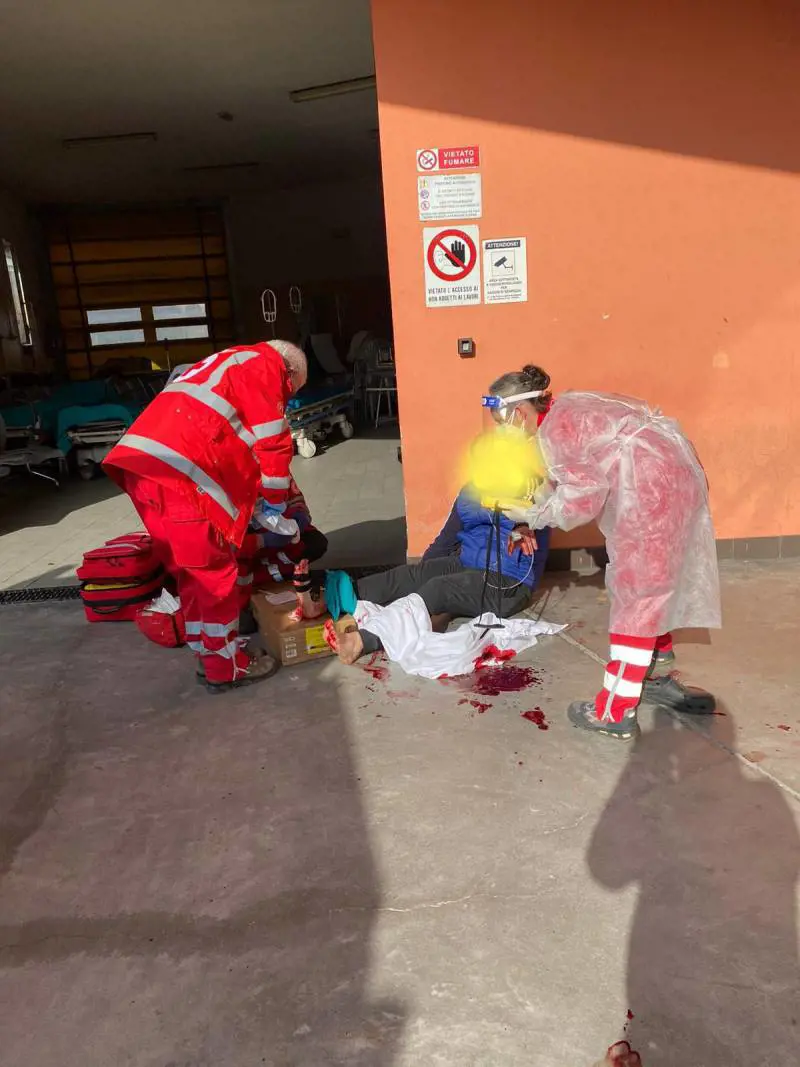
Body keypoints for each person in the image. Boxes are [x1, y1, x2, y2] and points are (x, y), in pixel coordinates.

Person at [488, 364, 720, 740]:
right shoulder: (568, 410)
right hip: (674, 484)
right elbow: (567, 477)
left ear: (516, 412)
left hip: (649, 498)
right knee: (656, 592)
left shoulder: (556, 430)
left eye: (499, 420)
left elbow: (581, 498)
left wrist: (531, 513)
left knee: (638, 599)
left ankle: (615, 711)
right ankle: (655, 677)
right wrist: (536, 513)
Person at [104, 340, 308, 692]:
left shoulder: (225, 364)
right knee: (215, 576)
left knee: (192, 572)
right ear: (289, 373)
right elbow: (273, 441)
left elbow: (228, 440)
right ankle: (224, 668)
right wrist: (274, 503)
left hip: (145, 469)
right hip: (182, 475)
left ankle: (207, 651)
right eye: (290, 392)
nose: (285, 400)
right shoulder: (266, 365)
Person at [332, 485, 551, 664]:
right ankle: (336, 599)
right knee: (411, 575)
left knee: (439, 589)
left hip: (508, 581)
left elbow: (535, 521)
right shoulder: (471, 491)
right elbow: (445, 541)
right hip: (465, 563)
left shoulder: (533, 490)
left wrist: (521, 530)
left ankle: (363, 641)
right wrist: (420, 579)